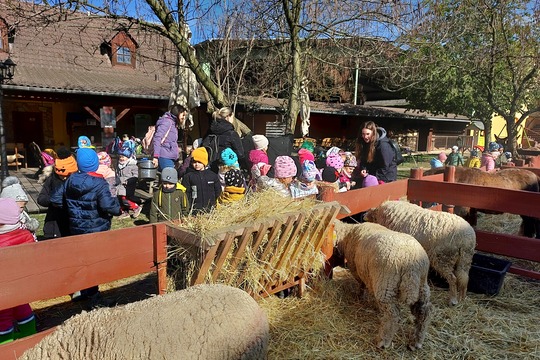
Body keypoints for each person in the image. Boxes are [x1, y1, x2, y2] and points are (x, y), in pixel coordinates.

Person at [51, 147, 122, 309]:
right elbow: (107, 205)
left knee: (83, 260)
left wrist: (72, 208)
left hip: (77, 228)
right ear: (95, 164)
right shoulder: (99, 183)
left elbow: (56, 198)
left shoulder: (71, 179)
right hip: (96, 228)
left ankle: (83, 290)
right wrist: (119, 208)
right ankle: (95, 298)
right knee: (94, 262)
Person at [0, 198, 37, 344]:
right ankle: (30, 337)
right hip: (23, 285)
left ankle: (5, 346)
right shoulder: (26, 234)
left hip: (3, 289)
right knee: (22, 307)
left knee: (2, 316)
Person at [37, 147, 77, 240]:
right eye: (60, 175)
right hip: (54, 224)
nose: (63, 178)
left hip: (71, 223)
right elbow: (41, 199)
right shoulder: (52, 179)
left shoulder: (76, 181)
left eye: (66, 176)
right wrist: (52, 200)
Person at [181, 147, 222, 215]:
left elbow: (218, 191)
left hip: (210, 209)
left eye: (199, 162)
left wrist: (215, 204)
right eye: (194, 162)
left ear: (204, 162)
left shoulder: (212, 176)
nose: (196, 164)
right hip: (195, 209)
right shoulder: (188, 176)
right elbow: (186, 193)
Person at [206, 107, 244, 171]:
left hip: (212, 166)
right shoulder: (231, 133)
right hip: (229, 167)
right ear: (228, 117)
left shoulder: (210, 131)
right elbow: (240, 154)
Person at [151, 104, 188, 171]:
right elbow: (157, 138)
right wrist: (155, 156)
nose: (184, 118)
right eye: (183, 115)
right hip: (164, 156)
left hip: (170, 156)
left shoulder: (173, 123)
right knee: (169, 179)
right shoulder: (166, 122)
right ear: (178, 113)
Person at [116, 147, 143, 219]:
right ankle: (125, 211)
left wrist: (129, 181)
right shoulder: (119, 165)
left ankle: (135, 207)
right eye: (120, 157)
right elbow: (118, 174)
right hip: (120, 184)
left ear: (128, 157)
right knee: (119, 199)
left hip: (128, 185)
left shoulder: (132, 165)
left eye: (123, 157)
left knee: (125, 199)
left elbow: (135, 176)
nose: (121, 158)